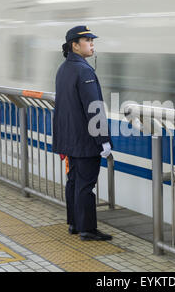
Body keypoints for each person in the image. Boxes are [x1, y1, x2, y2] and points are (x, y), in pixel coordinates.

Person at [52, 25, 113, 241]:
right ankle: (88, 229)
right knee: (86, 185)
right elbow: (94, 107)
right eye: (87, 40)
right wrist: (103, 140)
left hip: (69, 138)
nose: (92, 44)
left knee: (74, 182)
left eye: (91, 40)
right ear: (74, 46)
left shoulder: (63, 69)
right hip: (85, 141)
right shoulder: (84, 70)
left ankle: (75, 224)